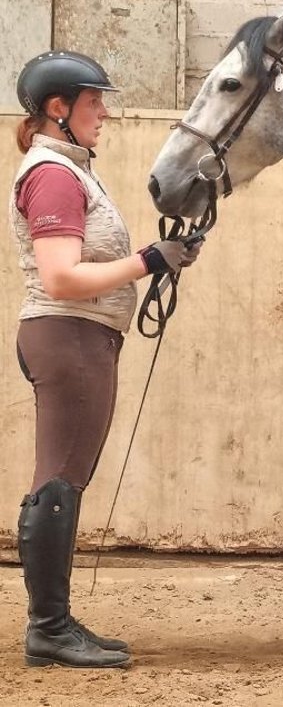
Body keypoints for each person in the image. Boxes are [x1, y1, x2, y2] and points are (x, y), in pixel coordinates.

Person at [9, 51, 202, 669]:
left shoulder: (68, 169)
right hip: (68, 335)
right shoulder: (56, 175)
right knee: (58, 481)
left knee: (64, 477)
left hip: (80, 338)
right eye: (95, 102)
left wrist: (161, 257)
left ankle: (55, 624)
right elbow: (62, 277)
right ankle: (50, 628)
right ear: (57, 109)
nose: (105, 113)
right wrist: (150, 260)